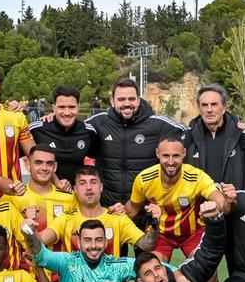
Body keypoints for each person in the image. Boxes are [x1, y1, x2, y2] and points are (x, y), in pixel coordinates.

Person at [86, 78, 188, 208]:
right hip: (107, 207)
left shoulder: (158, 125)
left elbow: (190, 134)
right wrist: (53, 121)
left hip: (143, 208)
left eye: (132, 99)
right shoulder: (98, 123)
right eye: (121, 99)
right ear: (112, 101)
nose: (127, 103)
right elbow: (73, 131)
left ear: (139, 100)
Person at [129, 134, 228, 262]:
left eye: (175, 156)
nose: (170, 162)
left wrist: (217, 205)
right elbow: (132, 209)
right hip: (161, 234)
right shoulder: (144, 179)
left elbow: (220, 201)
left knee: (208, 274)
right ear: (157, 153)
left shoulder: (196, 176)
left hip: (192, 233)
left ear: (184, 154)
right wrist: (117, 213)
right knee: (154, 269)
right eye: (166, 156)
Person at [40, 166, 156, 256]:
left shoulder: (117, 218)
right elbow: (39, 241)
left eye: (93, 182)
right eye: (83, 183)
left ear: (101, 187)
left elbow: (146, 245)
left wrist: (155, 224)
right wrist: (28, 228)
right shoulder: (65, 219)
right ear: (75, 189)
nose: (89, 187)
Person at [186, 83, 245, 203]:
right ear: (199, 109)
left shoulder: (242, 136)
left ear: (224, 108)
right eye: (204, 105)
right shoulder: (187, 138)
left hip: (235, 207)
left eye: (214, 105)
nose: (209, 110)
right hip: (198, 209)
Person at [27, 85, 98, 184]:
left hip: (75, 195)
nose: (67, 112)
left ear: (78, 108)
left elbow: (104, 158)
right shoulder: (37, 129)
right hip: (44, 196)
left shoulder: (89, 131)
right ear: (54, 108)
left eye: (71, 107)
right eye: (62, 107)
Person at [17, 145, 78, 235]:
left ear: (55, 167)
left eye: (49, 163)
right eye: (38, 163)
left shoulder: (70, 197)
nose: (44, 168)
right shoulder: (14, 197)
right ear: (28, 165)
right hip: (26, 249)